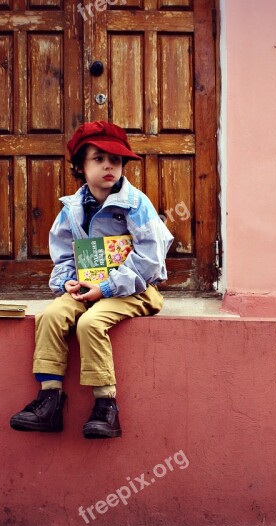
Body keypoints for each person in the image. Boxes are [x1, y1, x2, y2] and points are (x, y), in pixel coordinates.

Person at [10, 121, 173, 439]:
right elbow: (63, 253)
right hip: (88, 287)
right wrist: (67, 282)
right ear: (80, 166)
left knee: (90, 324)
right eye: (98, 158)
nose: (108, 166)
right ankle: (49, 400)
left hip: (137, 290)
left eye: (115, 159)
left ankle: (105, 405)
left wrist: (108, 288)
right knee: (50, 315)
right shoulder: (71, 210)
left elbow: (151, 260)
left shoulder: (136, 205)